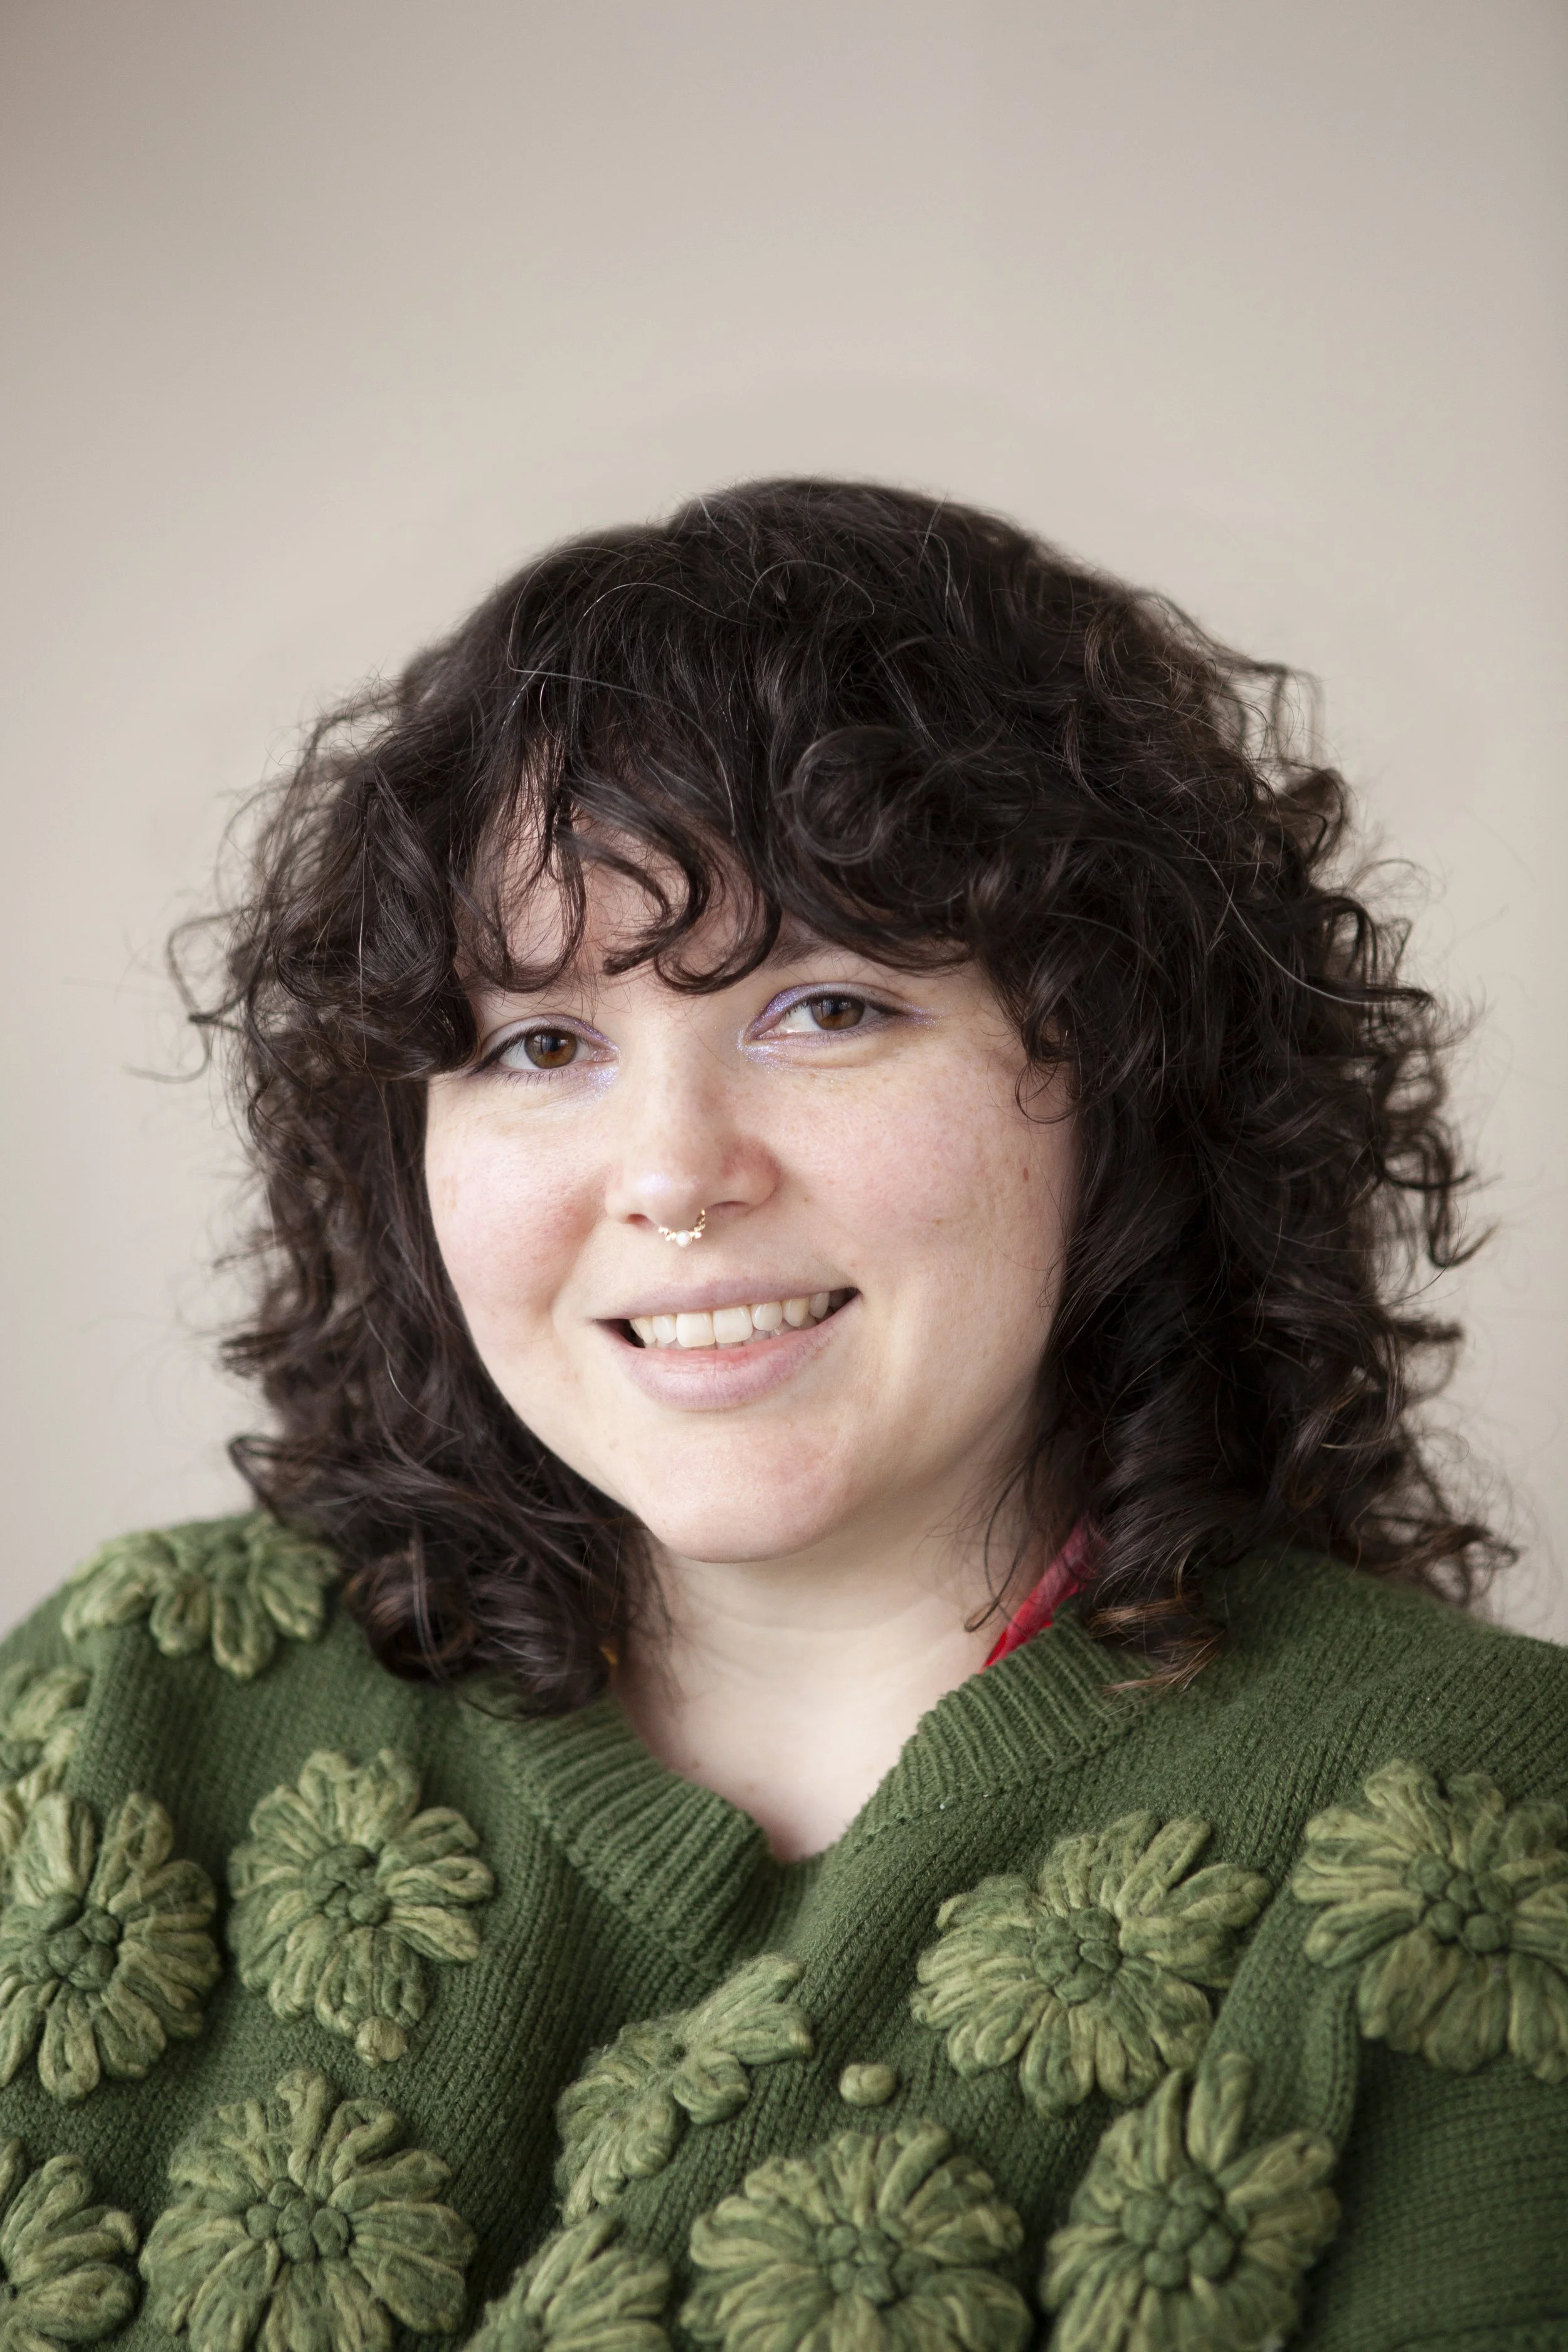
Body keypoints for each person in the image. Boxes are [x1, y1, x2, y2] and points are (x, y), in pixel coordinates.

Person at [1, 480, 1563, 2352]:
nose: (670, 1174)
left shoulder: (1479, 1832)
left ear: (1127, 1072)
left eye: (824, 1006)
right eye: (538, 1042)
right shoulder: (111, 1707)